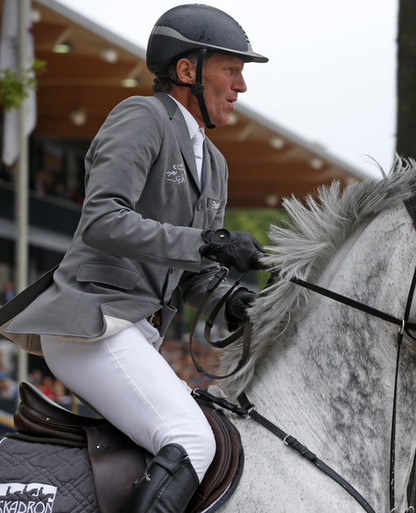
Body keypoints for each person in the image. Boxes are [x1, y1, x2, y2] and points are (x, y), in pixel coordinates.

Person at [0, 5, 268, 512]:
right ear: (188, 70)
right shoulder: (141, 116)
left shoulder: (215, 164)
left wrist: (234, 301)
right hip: (92, 320)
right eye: (231, 70)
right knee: (193, 441)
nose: (241, 86)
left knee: (210, 433)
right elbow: (102, 220)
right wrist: (208, 243)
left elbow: (192, 272)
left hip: (137, 331)